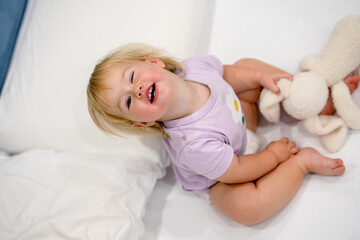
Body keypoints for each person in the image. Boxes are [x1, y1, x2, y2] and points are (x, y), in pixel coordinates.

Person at [87, 43, 357, 225]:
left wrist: (260, 79)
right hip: (224, 176)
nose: (135, 90)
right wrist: (274, 156)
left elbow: (228, 74)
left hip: (241, 121)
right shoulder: (192, 146)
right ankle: (301, 164)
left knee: (246, 67)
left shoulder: (192, 69)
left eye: (132, 76)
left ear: (154, 62)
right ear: (142, 124)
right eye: (128, 102)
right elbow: (236, 170)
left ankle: (311, 97)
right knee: (246, 208)